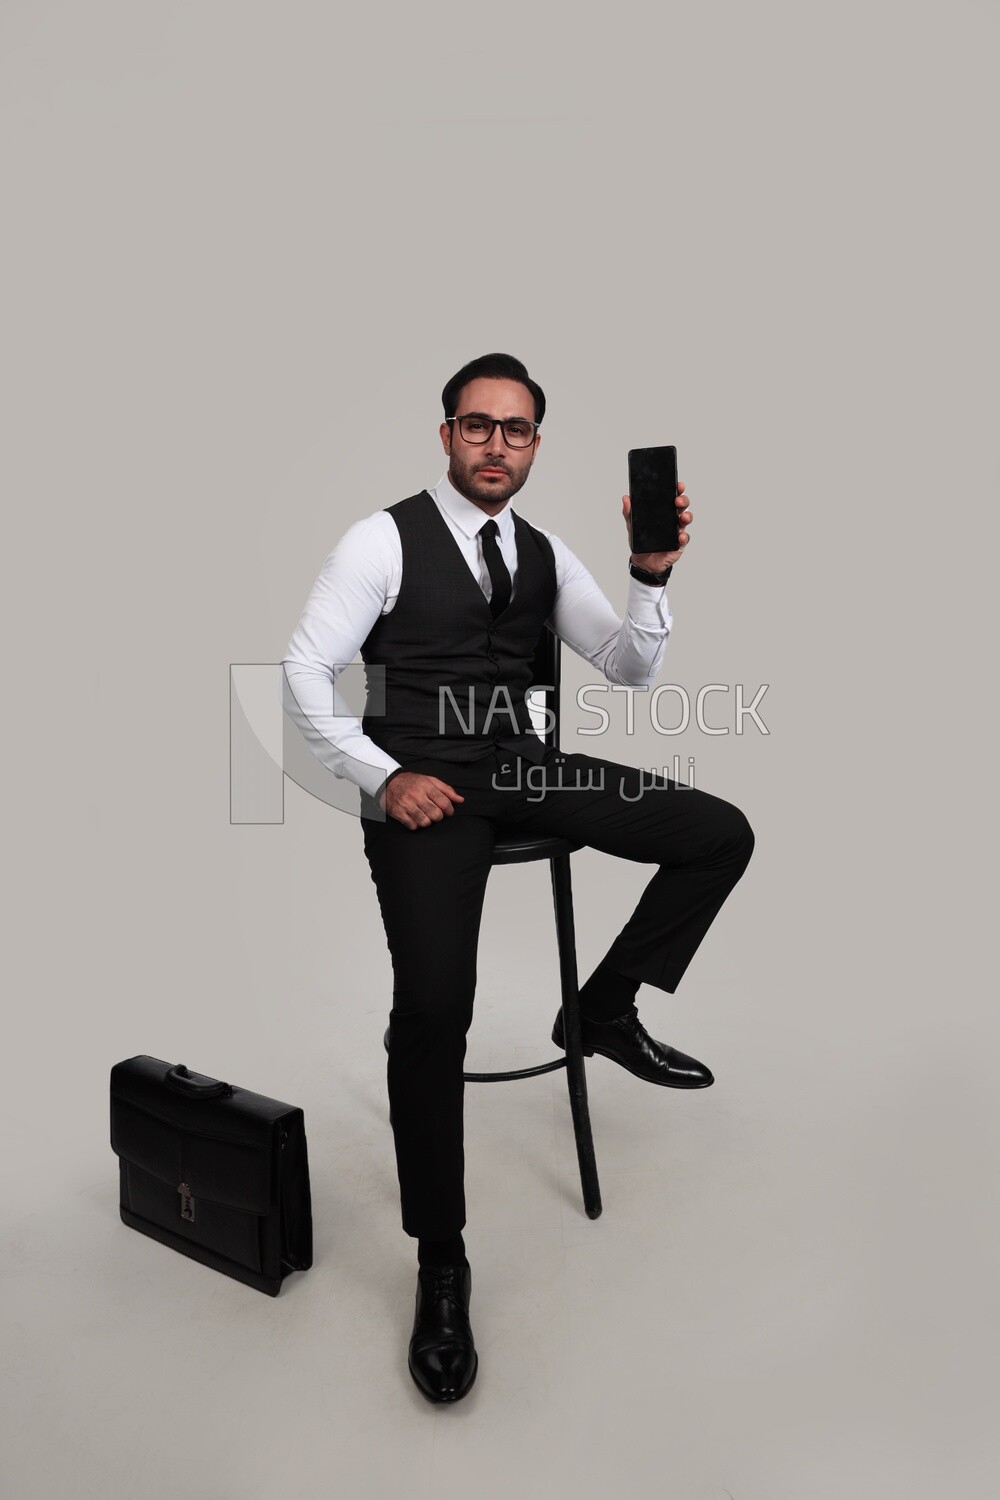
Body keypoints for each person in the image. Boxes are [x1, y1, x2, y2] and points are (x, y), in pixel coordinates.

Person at [281, 352, 755, 1403]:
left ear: (537, 444)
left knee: (717, 833)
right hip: (427, 786)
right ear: (446, 433)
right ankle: (440, 1260)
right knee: (436, 1007)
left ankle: (598, 1009)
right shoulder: (380, 539)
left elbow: (629, 668)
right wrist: (381, 773)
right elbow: (302, 674)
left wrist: (653, 575)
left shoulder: (543, 553)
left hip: (526, 770)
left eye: (517, 430)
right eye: (478, 426)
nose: (497, 444)